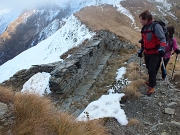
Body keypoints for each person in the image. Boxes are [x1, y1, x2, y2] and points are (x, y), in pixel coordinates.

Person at [138, 10, 166, 96]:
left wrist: (162, 49)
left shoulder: (156, 26)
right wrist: (141, 50)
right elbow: (144, 41)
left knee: (151, 69)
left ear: (146, 19)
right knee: (148, 67)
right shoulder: (144, 28)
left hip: (155, 53)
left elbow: (162, 38)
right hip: (147, 52)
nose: (140, 21)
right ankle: (151, 80)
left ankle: (152, 86)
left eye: (141, 20)